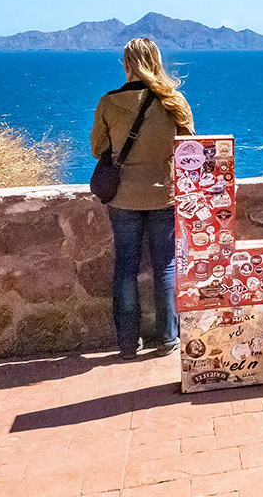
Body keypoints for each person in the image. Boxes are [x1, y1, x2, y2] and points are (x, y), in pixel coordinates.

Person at [90, 38, 195, 359]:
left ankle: (127, 344)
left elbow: (97, 149)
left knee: (125, 268)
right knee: (165, 265)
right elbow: (190, 147)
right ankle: (167, 339)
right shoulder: (174, 101)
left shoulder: (108, 103)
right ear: (155, 62)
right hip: (165, 195)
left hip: (123, 198)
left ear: (126, 64)